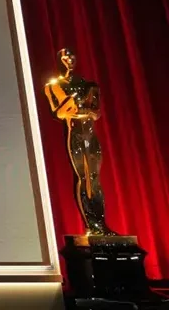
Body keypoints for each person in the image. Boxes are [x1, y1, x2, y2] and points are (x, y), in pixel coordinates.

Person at [45, 48, 117, 236]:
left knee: (94, 178)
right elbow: (58, 113)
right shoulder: (53, 85)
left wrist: (85, 109)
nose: (70, 59)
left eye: (72, 55)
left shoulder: (89, 85)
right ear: (60, 60)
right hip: (74, 131)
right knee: (83, 177)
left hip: (90, 134)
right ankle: (91, 225)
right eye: (65, 56)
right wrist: (71, 104)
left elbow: (97, 112)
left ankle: (101, 225)